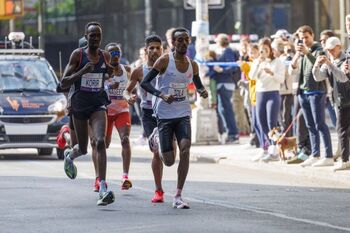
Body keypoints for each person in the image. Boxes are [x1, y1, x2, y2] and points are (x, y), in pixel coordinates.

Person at [140, 28, 208, 209]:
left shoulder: (193, 64)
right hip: (164, 115)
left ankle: (178, 195)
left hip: (183, 113)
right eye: (179, 40)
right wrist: (161, 95)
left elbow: (197, 83)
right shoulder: (164, 61)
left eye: (186, 40)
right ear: (173, 43)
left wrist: (202, 91)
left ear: (189, 42)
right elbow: (145, 83)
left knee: (185, 149)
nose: (183, 43)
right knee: (169, 161)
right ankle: (157, 139)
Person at [60, 22, 115, 206]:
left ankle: (103, 187)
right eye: (92, 35)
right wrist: (82, 71)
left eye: (98, 35)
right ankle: (70, 156)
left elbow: (107, 76)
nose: (96, 39)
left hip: (98, 103)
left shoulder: (104, 56)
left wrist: (109, 73)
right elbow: (63, 83)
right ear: (86, 36)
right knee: (82, 148)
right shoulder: (78, 55)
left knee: (100, 142)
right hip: (80, 105)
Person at [124, 35, 166, 202]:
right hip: (148, 113)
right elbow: (127, 90)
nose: (155, 51)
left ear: (162, 50)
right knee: (156, 150)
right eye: (152, 48)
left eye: (158, 48)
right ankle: (159, 190)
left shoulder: (168, 67)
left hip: (167, 112)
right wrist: (129, 97)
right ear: (146, 50)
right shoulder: (140, 71)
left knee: (168, 153)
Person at [290, 25, 333, 167]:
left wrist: (307, 53)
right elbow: (292, 70)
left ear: (312, 35)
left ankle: (328, 155)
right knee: (310, 125)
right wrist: (297, 56)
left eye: (306, 37)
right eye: (301, 38)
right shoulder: (301, 52)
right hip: (303, 92)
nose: (303, 40)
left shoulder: (319, 49)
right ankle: (315, 154)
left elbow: (320, 66)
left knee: (320, 124)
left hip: (317, 92)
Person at [312, 36, 350, 170]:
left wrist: (329, 63)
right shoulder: (330, 61)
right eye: (328, 50)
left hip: (346, 100)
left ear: (339, 47)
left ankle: (345, 160)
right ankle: (345, 159)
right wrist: (316, 65)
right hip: (338, 101)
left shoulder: (346, 59)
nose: (330, 53)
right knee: (343, 130)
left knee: (342, 130)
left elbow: (343, 77)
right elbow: (318, 77)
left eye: (333, 50)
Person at [249, 37, 285, 162]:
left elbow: (281, 79)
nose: (264, 51)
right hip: (260, 93)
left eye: (266, 49)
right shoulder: (258, 62)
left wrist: (272, 73)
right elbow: (251, 77)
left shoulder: (277, 62)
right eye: (261, 49)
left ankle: (274, 148)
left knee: (271, 122)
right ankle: (269, 147)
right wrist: (258, 63)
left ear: (270, 49)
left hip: (273, 93)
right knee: (261, 122)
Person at [104, 43, 133, 190]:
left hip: (122, 111)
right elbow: (96, 89)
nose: (115, 56)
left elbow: (133, 86)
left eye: (117, 54)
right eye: (111, 54)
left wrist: (131, 96)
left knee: (125, 140)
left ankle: (125, 177)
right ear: (107, 55)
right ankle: (100, 178)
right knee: (104, 144)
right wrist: (109, 87)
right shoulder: (103, 71)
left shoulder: (126, 70)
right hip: (106, 113)